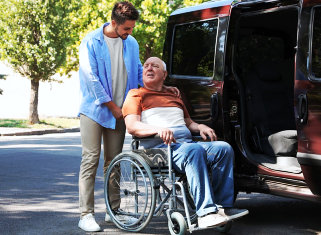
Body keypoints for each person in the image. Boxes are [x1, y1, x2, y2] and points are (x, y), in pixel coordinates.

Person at [77, 2, 178, 232]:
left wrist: (162, 88)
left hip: (120, 111)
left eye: (132, 28)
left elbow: (138, 71)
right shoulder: (91, 41)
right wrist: (112, 106)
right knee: (90, 159)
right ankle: (86, 214)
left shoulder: (130, 43)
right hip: (94, 109)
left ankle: (113, 210)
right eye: (127, 29)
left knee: (114, 162)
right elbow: (91, 78)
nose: (130, 33)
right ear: (114, 23)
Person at [122, 57, 249, 229]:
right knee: (194, 150)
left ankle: (223, 207)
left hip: (186, 145)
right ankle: (205, 213)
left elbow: (188, 123)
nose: (149, 68)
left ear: (164, 74)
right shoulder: (135, 94)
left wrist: (200, 126)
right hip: (161, 148)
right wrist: (157, 129)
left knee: (223, 148)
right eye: (146, 66)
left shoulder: (174, 94)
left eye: (155, 66)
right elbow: (132, 126)